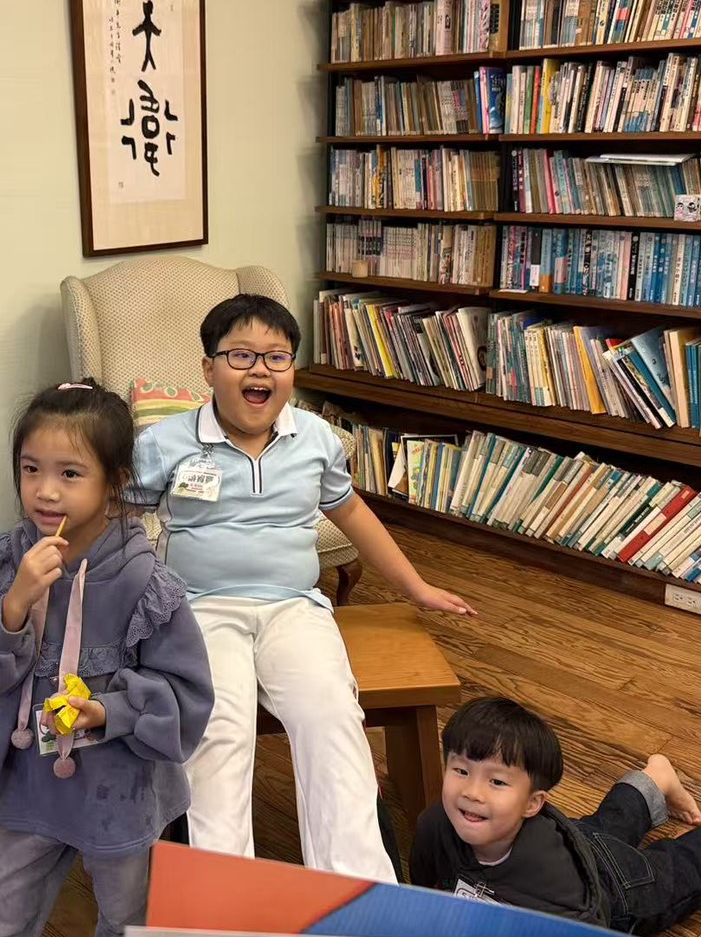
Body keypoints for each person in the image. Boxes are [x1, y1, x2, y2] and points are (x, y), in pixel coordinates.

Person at [127, 294, 472, 882]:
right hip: (199, 609)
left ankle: (357, 891)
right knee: (218, 728)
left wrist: (415, 587)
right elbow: (115, 518)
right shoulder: (164, 441)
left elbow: (352, 513)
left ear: (291, 370)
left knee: (331, 715)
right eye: (240, 355)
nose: (259, 369)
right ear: (208, 368)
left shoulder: (316, 438)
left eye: (276, 357)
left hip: (294, 608)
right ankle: (220, 896)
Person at [0, 381, 213, 937]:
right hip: (29, 780)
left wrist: (111, 711)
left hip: (120, 787)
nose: (46, 490)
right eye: (30, 469)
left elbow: (188, 695)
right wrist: (14, 604)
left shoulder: (144, 581)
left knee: (124, 916)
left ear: (115, 481)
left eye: (70, 473)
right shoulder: (7, 561)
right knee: (7, 913)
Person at [410, 696, 701, 934]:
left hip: (614, 890)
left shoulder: (553, 882)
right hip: (574, 836)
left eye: (496, 781)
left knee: (682, 871)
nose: (472, 792)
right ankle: (655, 778)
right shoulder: (434, 824)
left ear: (532, 803)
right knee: (607, 824)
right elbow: (422, 893)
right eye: (461, 771)